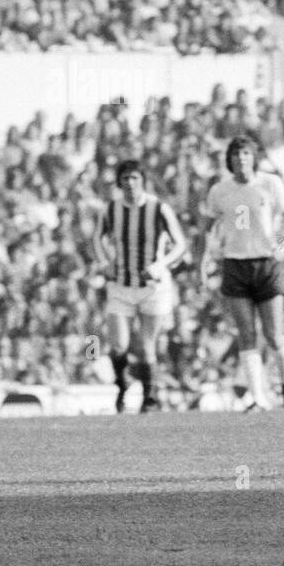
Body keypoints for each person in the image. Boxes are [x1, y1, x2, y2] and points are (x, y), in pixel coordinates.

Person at [200, 137, 284, 411]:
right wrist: (205, 258)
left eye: (245, 153)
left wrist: (283, 247)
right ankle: (257, 397)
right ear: (229, 160)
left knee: (274, 333)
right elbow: (208, 224)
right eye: (235, 154)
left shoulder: (270, 184)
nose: (241, 159)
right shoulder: (220, 191)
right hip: (235, 264)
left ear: (253, 157)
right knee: (246, 333)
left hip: (266, 263)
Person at [94, 159, 187, 412]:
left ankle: (149, 398)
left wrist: (161, 265)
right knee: (118, 345)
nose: (130, 183)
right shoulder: (111, 209)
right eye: (125, 178)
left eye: (134, 178)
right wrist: (105, 261)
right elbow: (97, 237)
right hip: (121, 286)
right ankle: (122, 387)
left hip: (153, 287)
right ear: (119, 182)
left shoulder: (158, 208)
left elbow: (180, 244)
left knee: (147, 346)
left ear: (142, 180)